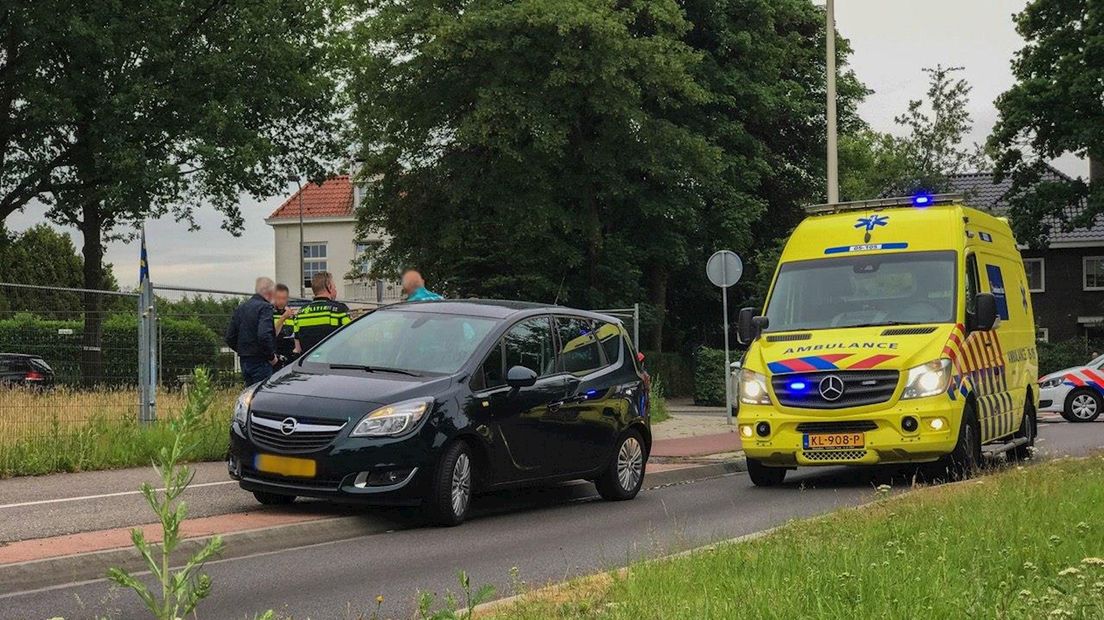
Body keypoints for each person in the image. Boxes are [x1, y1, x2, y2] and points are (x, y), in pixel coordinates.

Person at [226, 277, 279, 385]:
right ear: (269, 292)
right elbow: (264, 335)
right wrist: (271, 357)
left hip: (244, 361)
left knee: (249, 396)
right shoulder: (265, 307)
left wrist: (244, 350)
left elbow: (230, 337)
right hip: (261, 361)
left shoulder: (241, 308)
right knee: (262, 396)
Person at [294, 271, 352, 352]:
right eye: (334, 287)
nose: (335, 290)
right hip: (332, 362)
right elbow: (351, 338)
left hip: (309, 363)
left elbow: (298, 348)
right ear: (329, 286)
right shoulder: (339, 310)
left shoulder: (300, 313)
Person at [272, 283, 298, 366]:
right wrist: (283, 318)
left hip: (290, 356)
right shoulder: (268, 314)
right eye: (278, 298)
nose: (281, 301)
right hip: (274, 357)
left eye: (284, 298)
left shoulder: (291, 315)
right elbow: (270, 334)